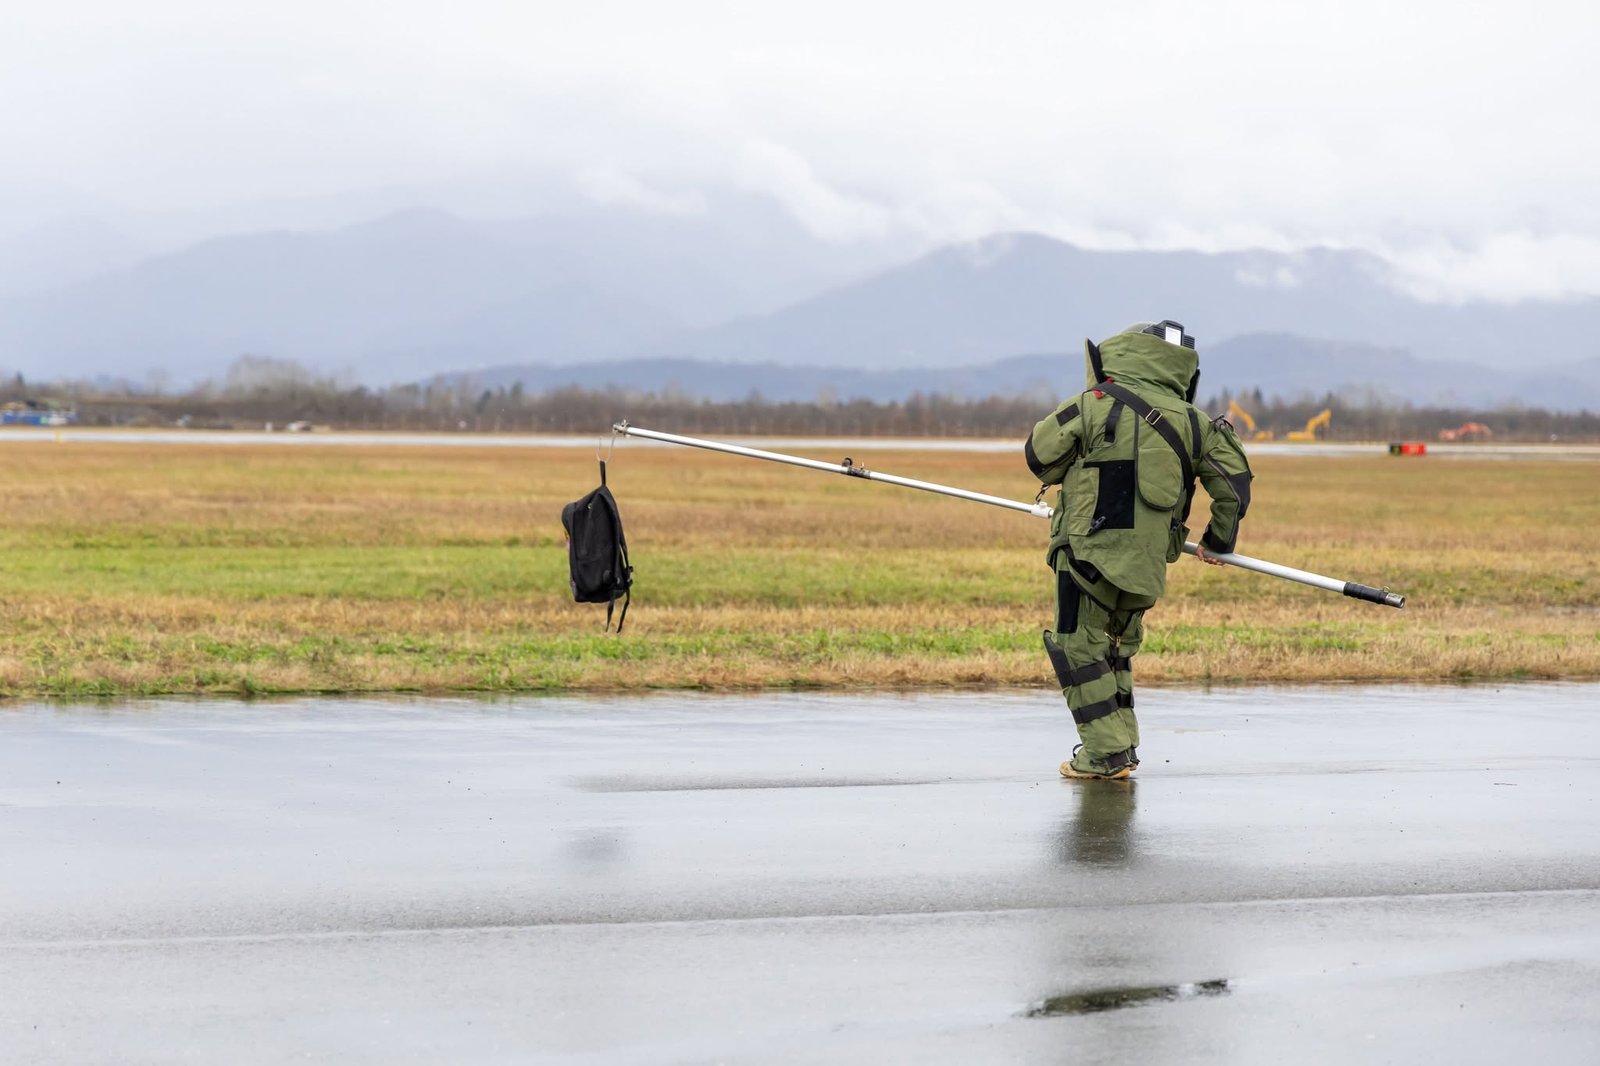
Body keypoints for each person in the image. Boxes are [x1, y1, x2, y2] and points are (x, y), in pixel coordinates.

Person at [1025, 320, 1252, 780]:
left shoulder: (1094, 403)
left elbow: (1039, 457)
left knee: (1077, 647)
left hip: (1086, 551)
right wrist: (1217, 540)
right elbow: (1235, 485)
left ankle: (1104, 754)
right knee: (1114, 649)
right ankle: (1122, 748)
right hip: (1147, 561)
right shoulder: (1197, 422)